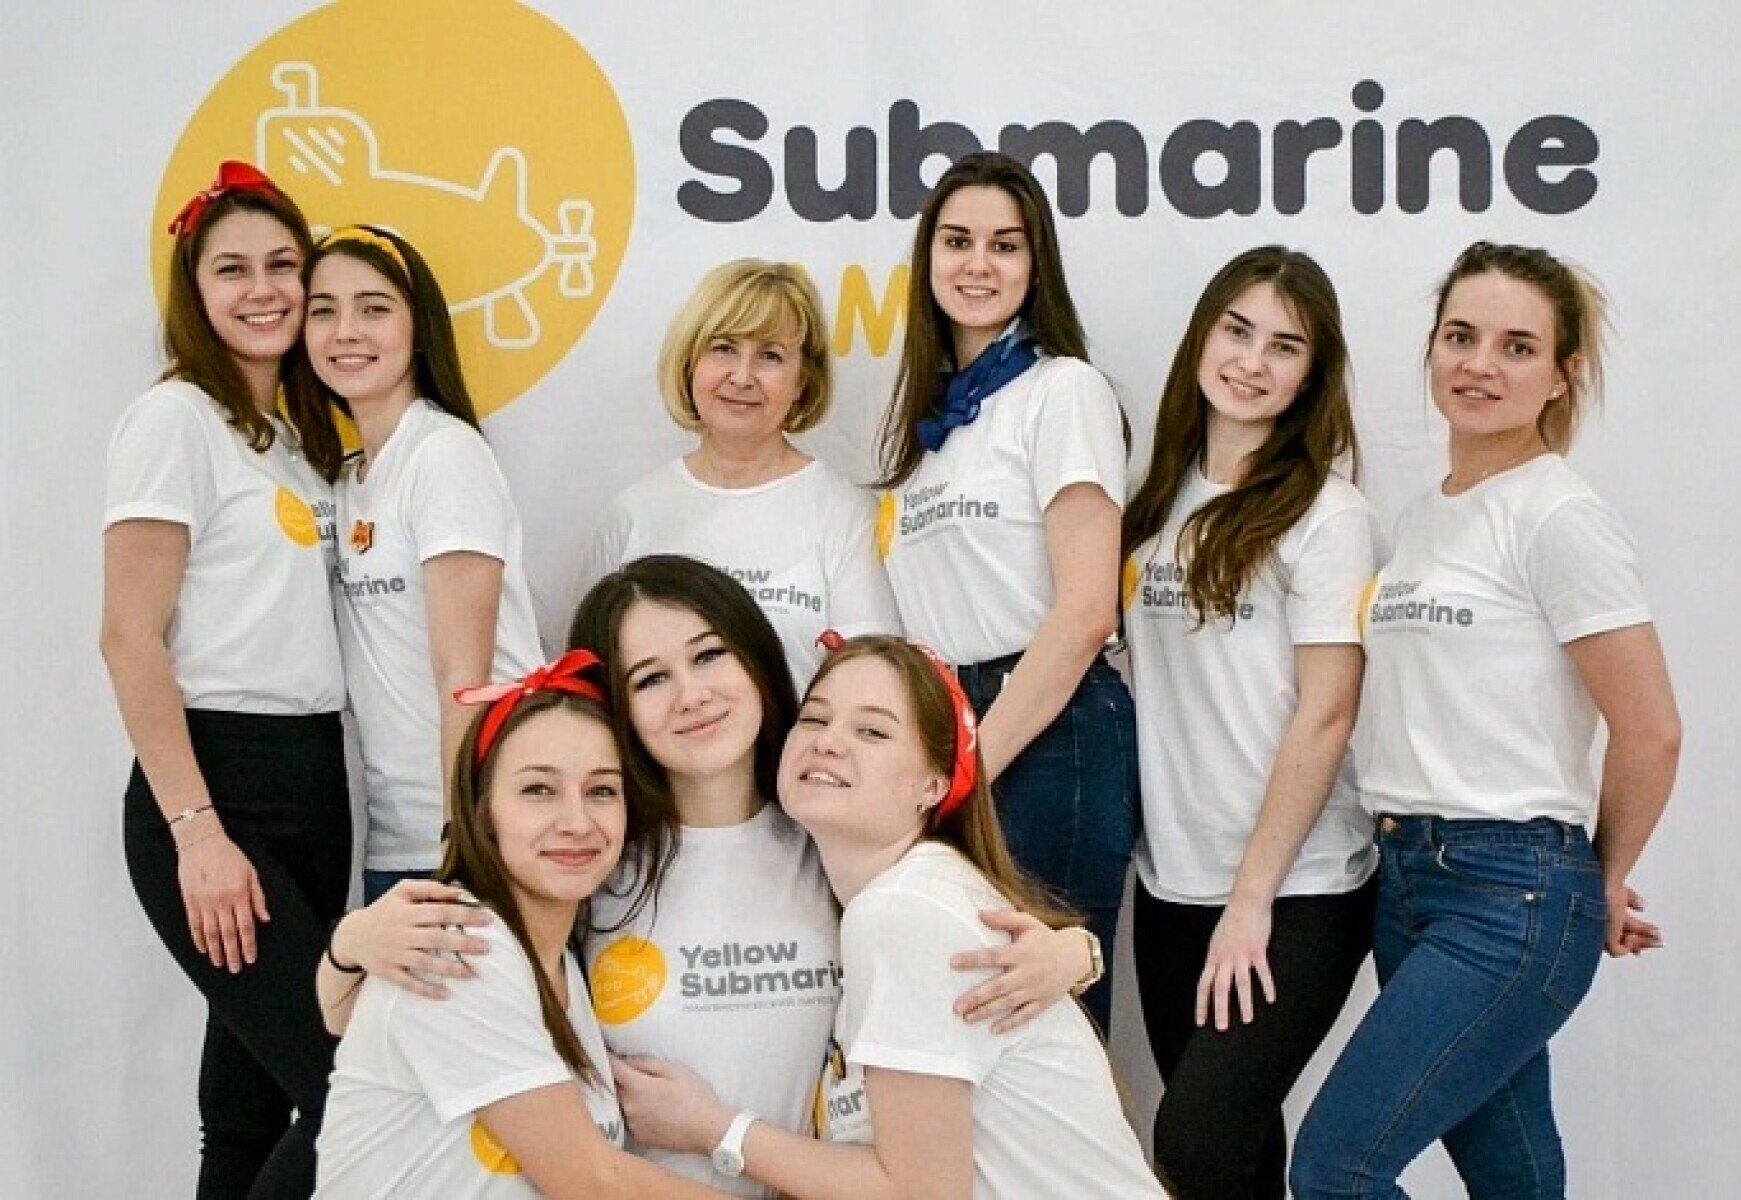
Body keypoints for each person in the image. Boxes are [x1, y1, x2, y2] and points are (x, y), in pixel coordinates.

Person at [319, 556, 1093, 1196]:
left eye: (708, 655)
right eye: (650, 678)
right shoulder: (592, 854)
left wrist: (1074, 955)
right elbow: (389, 1017)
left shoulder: (832, 834)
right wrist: (350, 945)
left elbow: (961, 939)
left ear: (755, 660)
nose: (691, 694)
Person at [1290, 241, 1684, 1199]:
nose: (1479, 365)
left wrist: (1599, 878)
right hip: (1409, 879)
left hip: (1511, 894)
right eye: (1460, 337)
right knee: (1512, 1176)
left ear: (1561, 374)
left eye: (1516, 347)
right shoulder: (1424, 516)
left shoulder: (1557, 517)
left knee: (1336, 1170)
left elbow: (1651, 729)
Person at [614, 634, 1166, 1199]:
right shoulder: (901, 893)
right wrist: (1080, 953)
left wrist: (714, 1130)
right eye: (815, 719)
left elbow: (920, 1193)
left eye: (872, 731)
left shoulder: (902, 911)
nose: (829, 742)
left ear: (934, 784)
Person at [101, 161, 348, 1198]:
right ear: (193, 292)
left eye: (283, 265)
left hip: (312, 782)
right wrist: (199, 836)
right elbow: (128, 638)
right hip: (217, 787)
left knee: (245, 1116)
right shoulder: (175, 420)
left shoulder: (288, 439)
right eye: (232, 269)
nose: (262, 289)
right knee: (353, 1091)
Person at [1122, 246, 1381, 1197]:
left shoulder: (1326, 515)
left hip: (1295, 889)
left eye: (1284, 346)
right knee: (1228, 1162)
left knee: (1193, 1138)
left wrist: (1250, 900)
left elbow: (1327, 712)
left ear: (1311, 376)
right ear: (1202, 335)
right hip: (1170, 881)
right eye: (1237, 330)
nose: (1251, 361)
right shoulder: (1153, 501)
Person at [875, 151, 1134, 1030]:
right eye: (957, 242)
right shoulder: (932, 428)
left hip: (1049, 731)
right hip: (954, 724)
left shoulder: (1063, 390)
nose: (977, 264)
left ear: (1035, 265)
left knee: (1049, 1023)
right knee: (968, 1014)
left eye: (1004, 245)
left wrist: (971, 769)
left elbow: (1086, 610)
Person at [314, 652, 724, 1197]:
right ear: (482, 808)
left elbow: (344, 1016)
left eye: (602, 790)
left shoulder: (561, 962)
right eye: (538, 790)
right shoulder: (462, 943)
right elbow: (593, 1182)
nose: (577, 822)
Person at [300, 225, 543, 901]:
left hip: (475, 834)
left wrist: (461, 838)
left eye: (374, 308)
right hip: (396, 837)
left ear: (418, 329)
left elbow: (464, 677)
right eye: (324, 310)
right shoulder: (345, 480)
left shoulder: (443, 453)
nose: (346, 331)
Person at [583, 258, 899, 688]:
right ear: (690, 360)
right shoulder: (632, 515)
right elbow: (592, 686)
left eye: (770, 356)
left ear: (802, 381)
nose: (742, 376)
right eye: (724, 348)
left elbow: (872, 685)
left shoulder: (847, 513)